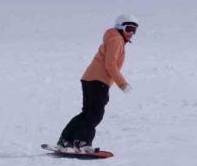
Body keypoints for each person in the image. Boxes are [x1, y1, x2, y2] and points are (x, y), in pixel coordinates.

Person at [56, 14, 138, 153]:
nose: (131, 33)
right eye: (129, 29)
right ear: (120, 27)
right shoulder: (116, 40)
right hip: (98, 81)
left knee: (87, 113)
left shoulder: (113, 38)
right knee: (95, 114)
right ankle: (82, 143)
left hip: (91, 79)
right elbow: (110, 64)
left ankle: (65, 141)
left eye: (134, 30)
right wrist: (122, 84)